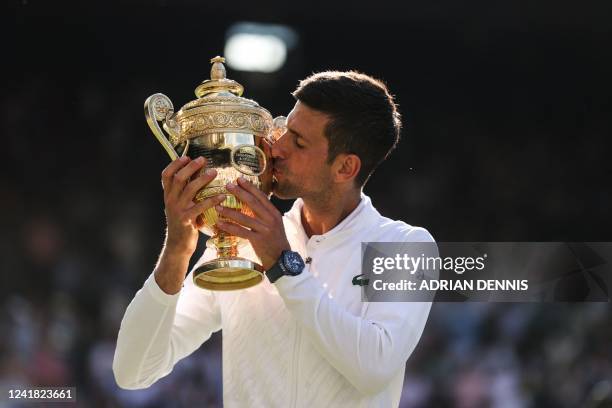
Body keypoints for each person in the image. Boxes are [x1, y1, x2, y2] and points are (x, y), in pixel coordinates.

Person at [113, 71, 436, 407]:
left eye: (297, 142)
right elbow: (133, 371)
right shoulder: (242, 241)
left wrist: (283, 265)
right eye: (284, 131)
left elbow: (373, 367)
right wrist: (177, 249)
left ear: (345, 168)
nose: (276, 148)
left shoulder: (407, 247)